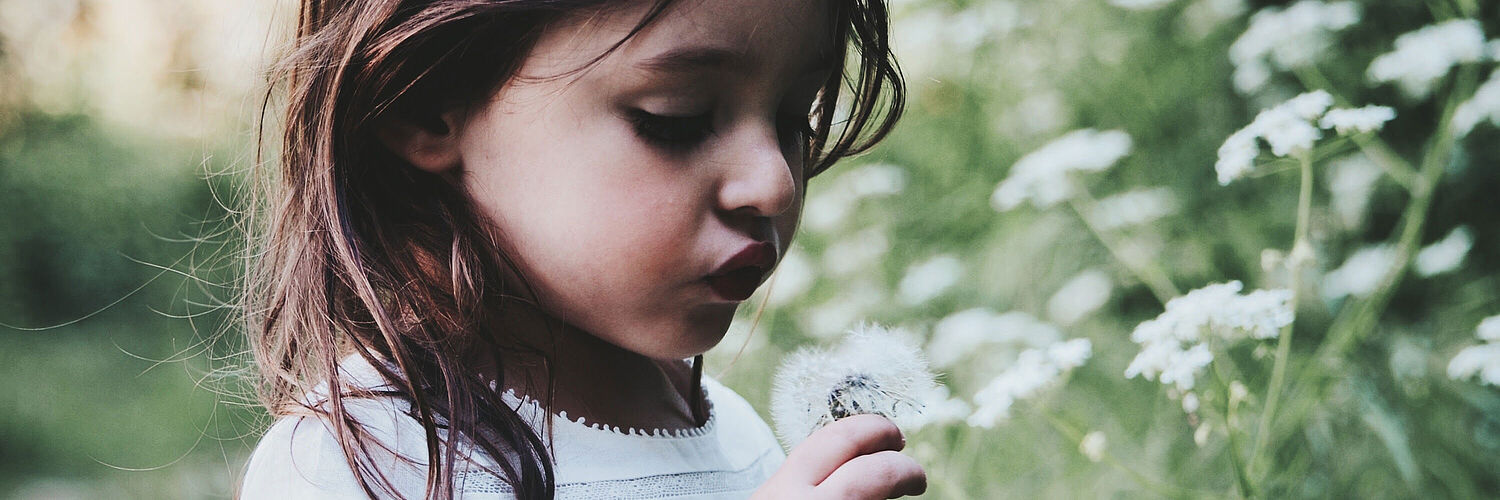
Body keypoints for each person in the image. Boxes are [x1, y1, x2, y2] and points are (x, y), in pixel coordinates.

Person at [238, 0, 921, 498]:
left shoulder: (740, 438)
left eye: (792, 118)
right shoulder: (363, 464)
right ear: (424, 103)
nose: (773, 182)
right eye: (676, 118)